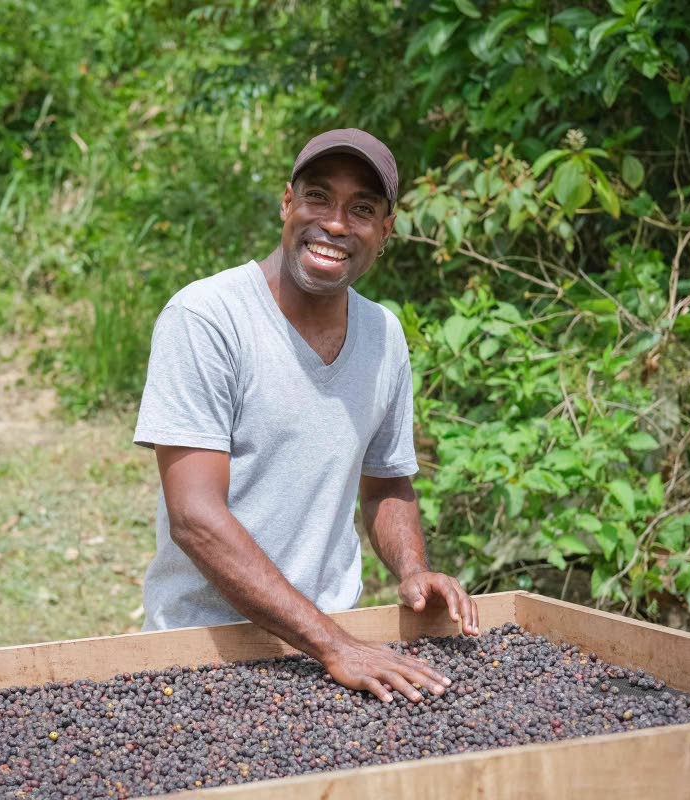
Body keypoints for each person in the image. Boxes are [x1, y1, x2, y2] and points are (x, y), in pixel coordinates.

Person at [133, 128, 479, 703]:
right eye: (318, 197)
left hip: (328, 650)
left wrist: (411, 569)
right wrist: (335, 645)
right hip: (202, 651)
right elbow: (194, 517)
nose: (337, 224)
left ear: (386, 230)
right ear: (287, 202)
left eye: (362, 209)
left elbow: (388, 479)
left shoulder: (383, 336)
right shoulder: (206, 318)